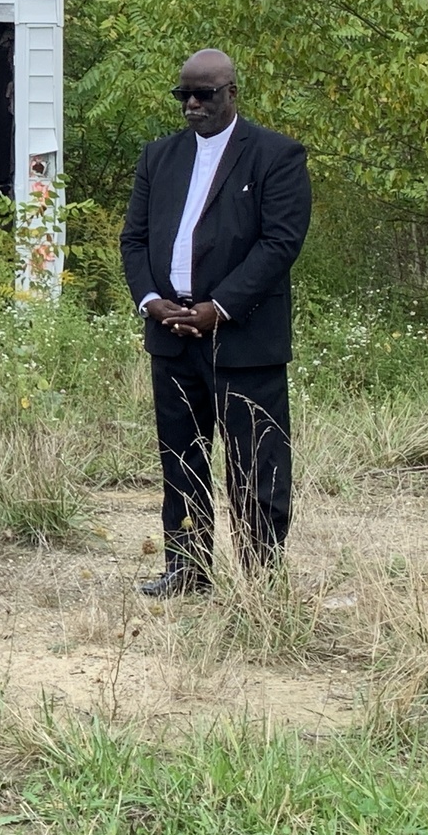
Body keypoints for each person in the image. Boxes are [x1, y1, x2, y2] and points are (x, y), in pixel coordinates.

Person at [121, 49, 310, 595]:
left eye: (204, 94)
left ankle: (259, 581)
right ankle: (187, 568)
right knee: (182, 457)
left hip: (242, 337)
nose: (193, 104)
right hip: (171, 332)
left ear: (232, 93)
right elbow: (133, 240)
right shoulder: (159, 157)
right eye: (184, 94)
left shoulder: (275, 155)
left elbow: (280, 244)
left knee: (256, 463)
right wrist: (152, 300)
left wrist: (219, 307)